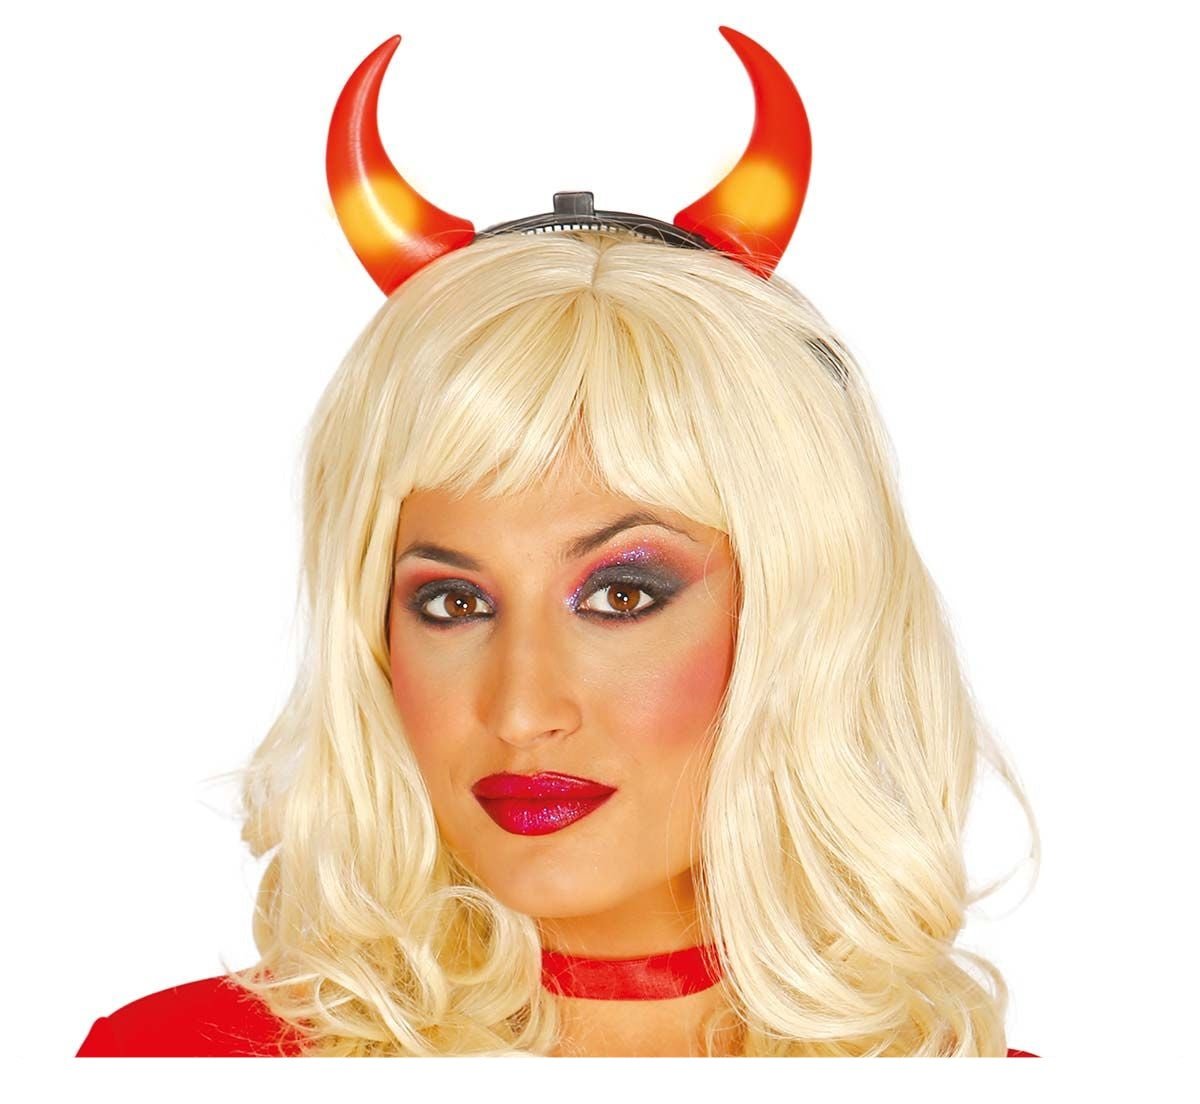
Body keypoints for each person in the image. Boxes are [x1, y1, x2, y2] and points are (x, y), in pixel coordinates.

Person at [76, 26, 1040, 1058]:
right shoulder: (179, 1063)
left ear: (797, 613)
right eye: (453, 603)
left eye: (622, 595)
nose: (523, 709)